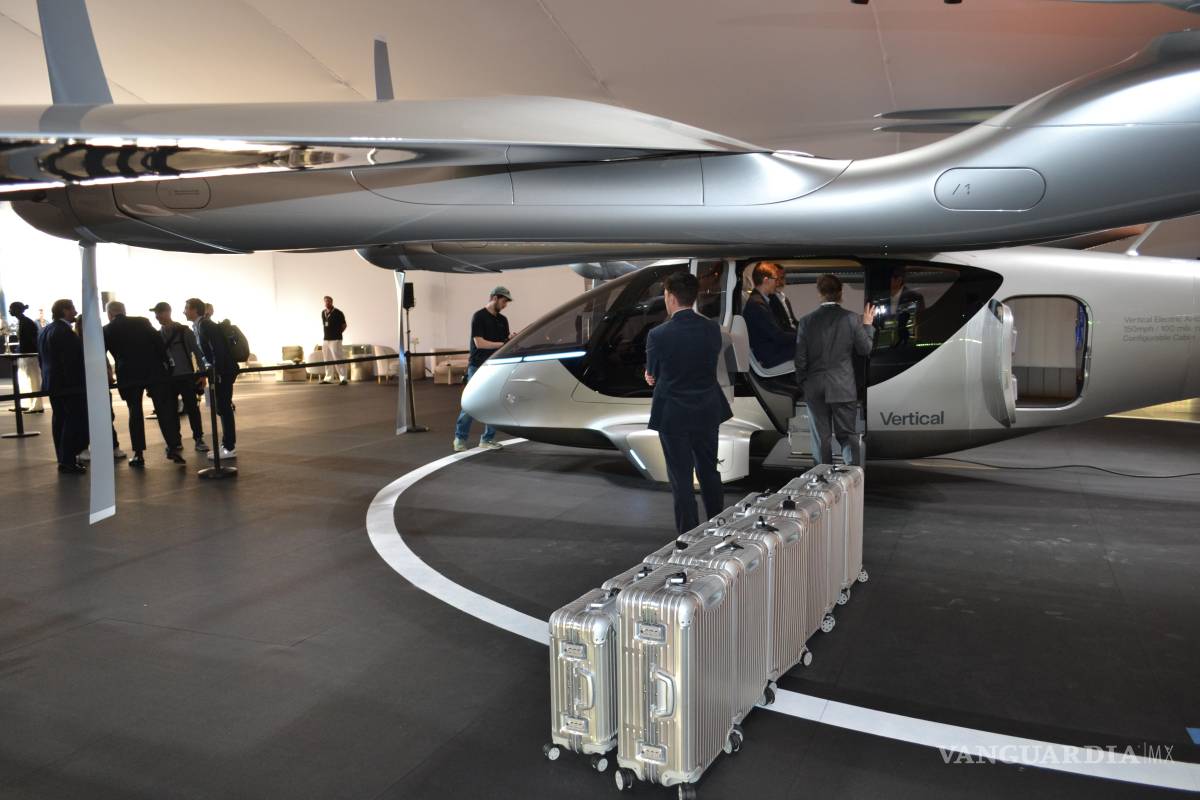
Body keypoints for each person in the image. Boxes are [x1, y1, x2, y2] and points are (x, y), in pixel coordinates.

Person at [645, 271, 733, 534]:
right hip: (707, 409)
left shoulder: (658, 334)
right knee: (709, 471)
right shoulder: (712, 329)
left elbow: (653, 372)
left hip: (673, 414)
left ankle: (688, 535)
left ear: (671, 297)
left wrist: (649, 374)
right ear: (693, 297)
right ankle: (718, 526)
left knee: (681, 477)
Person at [795, 274, 875, 466]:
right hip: (843, 386)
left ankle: (822, 479)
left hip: (815, 387)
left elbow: (800, 359)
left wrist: (804, 383)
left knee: (820, 439)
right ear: (841, 293)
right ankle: (852, 478)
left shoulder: (806, 321)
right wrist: (867, 325)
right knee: (847, 436)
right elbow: (865, 349)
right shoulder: (851, 318)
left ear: (819, 293)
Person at [104, 302, 184, 467]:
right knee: (164, 409)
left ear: (110, 314)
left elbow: (101, 355)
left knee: (135, 412)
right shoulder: (142, 321)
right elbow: (159, 344)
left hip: (128, 375)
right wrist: (166, 365)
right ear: (124, 311)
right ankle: (173, 446)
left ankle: (138, 454)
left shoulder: (107, 330)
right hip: (153, 371)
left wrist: (108, 374)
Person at [453, 286, 512, 452]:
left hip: (495, 366)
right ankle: (460, 438)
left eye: (507, 302)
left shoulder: (503, 319)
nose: (505, 305)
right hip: (477, 366)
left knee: (494, 403)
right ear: (494, 298)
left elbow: (504, 341)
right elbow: (479, 343)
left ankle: (487, 439)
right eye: (504, 301)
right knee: (471, 404)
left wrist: (510, 339)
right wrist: (503, 343)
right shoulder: (479, 316)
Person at [38, 299, 88, 474]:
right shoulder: (65, 332)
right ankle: (68, 459)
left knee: (59, 420)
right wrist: (77, 385)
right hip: (68, 385)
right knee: (72, 421)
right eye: (72, 309)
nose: (75, 312)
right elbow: (71, 362)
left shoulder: (46, 330)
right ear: (65, 310)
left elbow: (42, 359)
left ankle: (63, 458)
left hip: (53, 383)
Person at [184, 297, 237, 459]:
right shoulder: (200, 325)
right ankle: (226, 445)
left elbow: (217, 350)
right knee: (221, 407)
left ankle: (229, 447)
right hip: (219, 371)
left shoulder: (205, 325)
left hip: (222, 372)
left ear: (194, 310)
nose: (184, 311)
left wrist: (217, 372)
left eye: (186, 308)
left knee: (224, 407)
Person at [152, 301, 208, 452]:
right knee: (171, 411)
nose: (157, 316)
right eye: (156, 313)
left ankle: (199, 438)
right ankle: (176, 441)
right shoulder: (158, 335)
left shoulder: (184, 331)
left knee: (192, 409)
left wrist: (203, 375)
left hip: (186, 377)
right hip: (168, 379)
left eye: (159, 312)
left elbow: (197, 352)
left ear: (168, 312)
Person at [742, 262, 795, 368]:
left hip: (771, 348)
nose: (777, 283)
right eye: (775, 279)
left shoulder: (762, 301)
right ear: (766, 280)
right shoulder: (757, 305)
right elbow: (778, 336)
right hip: (769, 354)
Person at [9, 301, 44, 412]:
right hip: (25, 355)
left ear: (17, 310)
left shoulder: (26, 322)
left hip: (30, 356)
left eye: (11, 309)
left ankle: (37, 406)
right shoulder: (23, 321)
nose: (10, 311)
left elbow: (32, 340)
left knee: (33, 381)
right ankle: (26, 404)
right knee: (25, 381)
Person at [320, 296, 348, 385]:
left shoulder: (338, 313)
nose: (327, 303)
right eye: (325, 301)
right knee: (327, 359)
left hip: (336, 339)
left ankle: (343, 379)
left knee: (338, 358)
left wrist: (337, 333)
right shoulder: (323, 313)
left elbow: (344, 325)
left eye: (328, 301)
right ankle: (328, 378)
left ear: (332, 302)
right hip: (326, 339)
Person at [768, 264, 798, 331]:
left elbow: (793, 321)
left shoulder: (784, 298)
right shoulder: (768, 300)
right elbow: (779, 327)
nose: (779, 282)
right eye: (776, 279)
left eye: (782, 278)